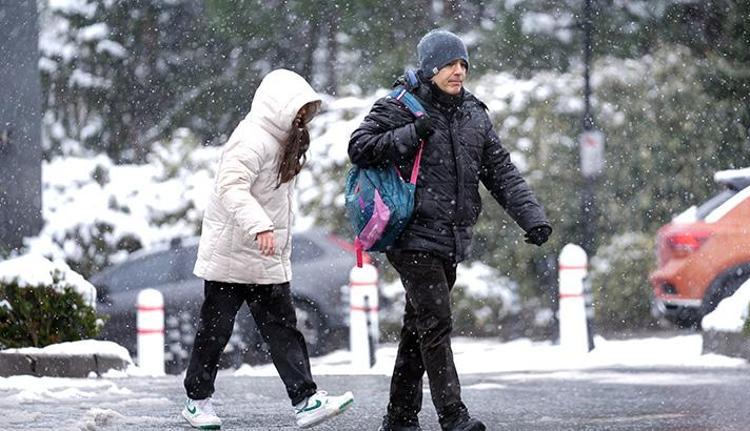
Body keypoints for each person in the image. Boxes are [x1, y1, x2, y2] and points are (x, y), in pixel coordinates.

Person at [349, 30, 552, 431]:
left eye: (463, 64)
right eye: (449, 64)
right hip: (410, 234)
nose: (458, 71)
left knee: (419, 325)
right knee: (437, 320)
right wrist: (410, 134)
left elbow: (501, 172)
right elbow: (359, 146)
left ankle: (400, 417)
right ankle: (453, 417)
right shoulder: (401, 105)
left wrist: (532, 217)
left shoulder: (473, 114)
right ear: (429, 68)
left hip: (451, 237)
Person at [182, 69, 354, 430]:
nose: (302, 119)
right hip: (232, 255)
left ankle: (306, 400)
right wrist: (260, 225)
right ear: (278, 106)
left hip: (265, 255)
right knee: (215, 331)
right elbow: (231, 188)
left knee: (283, 329)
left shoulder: (282, 140)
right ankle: (197, 402)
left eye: (306, 111)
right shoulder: (251, 139)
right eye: (297, 110)